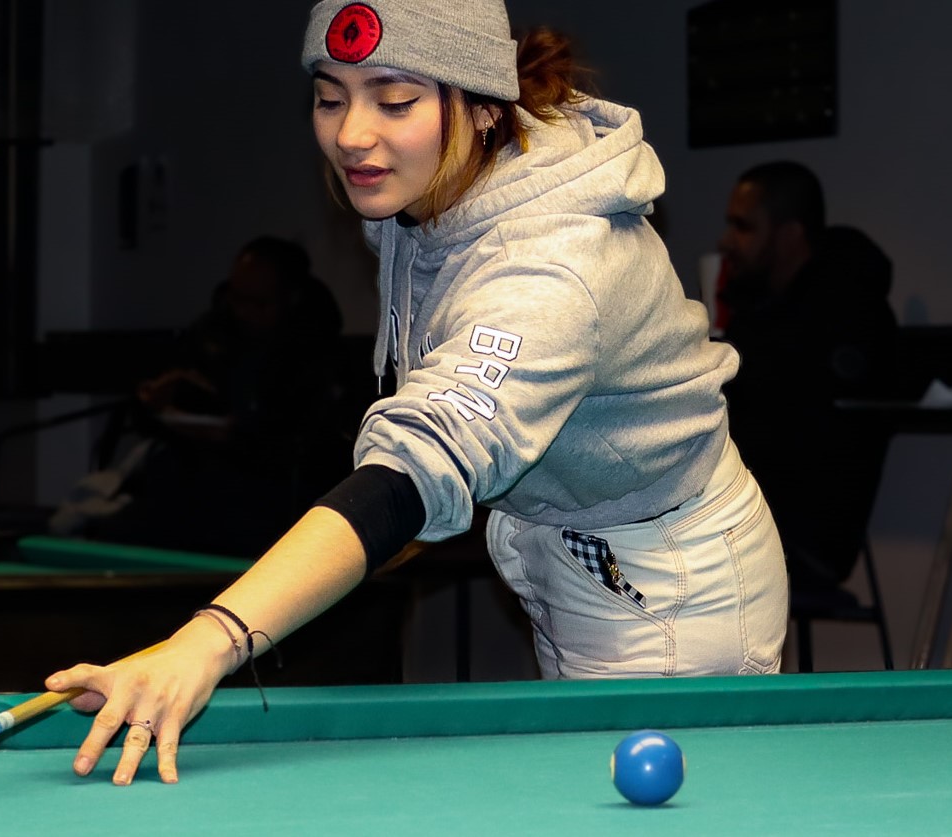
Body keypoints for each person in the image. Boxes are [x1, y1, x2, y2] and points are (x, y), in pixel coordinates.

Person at [46, 0, 788, 786]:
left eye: (394, 100)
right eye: (330, 97)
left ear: (481, 108)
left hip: (667, 585)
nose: (352, 135)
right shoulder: (438, 187)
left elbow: (419, 465)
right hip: (578, 550)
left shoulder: (550, 270)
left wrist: (207, 640)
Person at [77, 237, 351, 556]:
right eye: (238, 299)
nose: (245, 312)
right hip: (188, 481)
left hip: (268, 498)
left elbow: (310, 449)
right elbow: (155, 417)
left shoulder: (316, 353)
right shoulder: (213, 332)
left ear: (290, 298)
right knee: (118, 534)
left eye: (259, 303)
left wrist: (235, 437)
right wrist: (154, 402)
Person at [715, 161, 898, 595]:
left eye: (743, 227)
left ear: (790, 235)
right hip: (749, 518)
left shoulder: (845, 318)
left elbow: (786, 427)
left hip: (799, 535)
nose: (727, 243)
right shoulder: (763, 311)